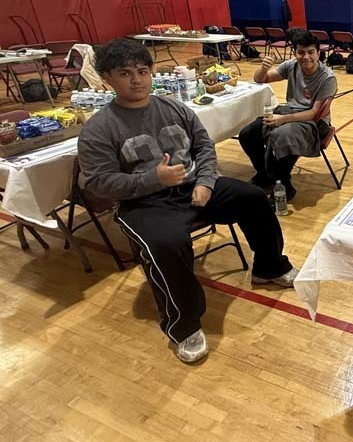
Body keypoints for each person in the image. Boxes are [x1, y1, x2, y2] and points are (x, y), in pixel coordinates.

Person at [78, 39, 296, 364]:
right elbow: (98, 182)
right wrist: (154, 178)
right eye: (125, 73)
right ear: (107, 79)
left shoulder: (173, 107)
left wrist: (207, 181)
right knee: (167, 244)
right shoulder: (99, 128)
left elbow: (204, 146)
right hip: (143, 203)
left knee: (253, 198)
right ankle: (183, 326)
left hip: (194, 187)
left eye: (142, 71)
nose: (136, 80)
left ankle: (268, 267)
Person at [238, 29, 337, 201]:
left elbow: (314, 114)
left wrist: (281, 120)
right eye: (300, 52)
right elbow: (261, 79)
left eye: (310, 52)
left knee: (280, 135)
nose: (306, 57)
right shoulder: (292, 65)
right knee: (248, 133)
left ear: (318, 53)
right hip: (289, 112)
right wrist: (262, 69)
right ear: (294, 52)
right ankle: (266, 174)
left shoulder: (328, 78)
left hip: (314, 122)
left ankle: (283, 184)